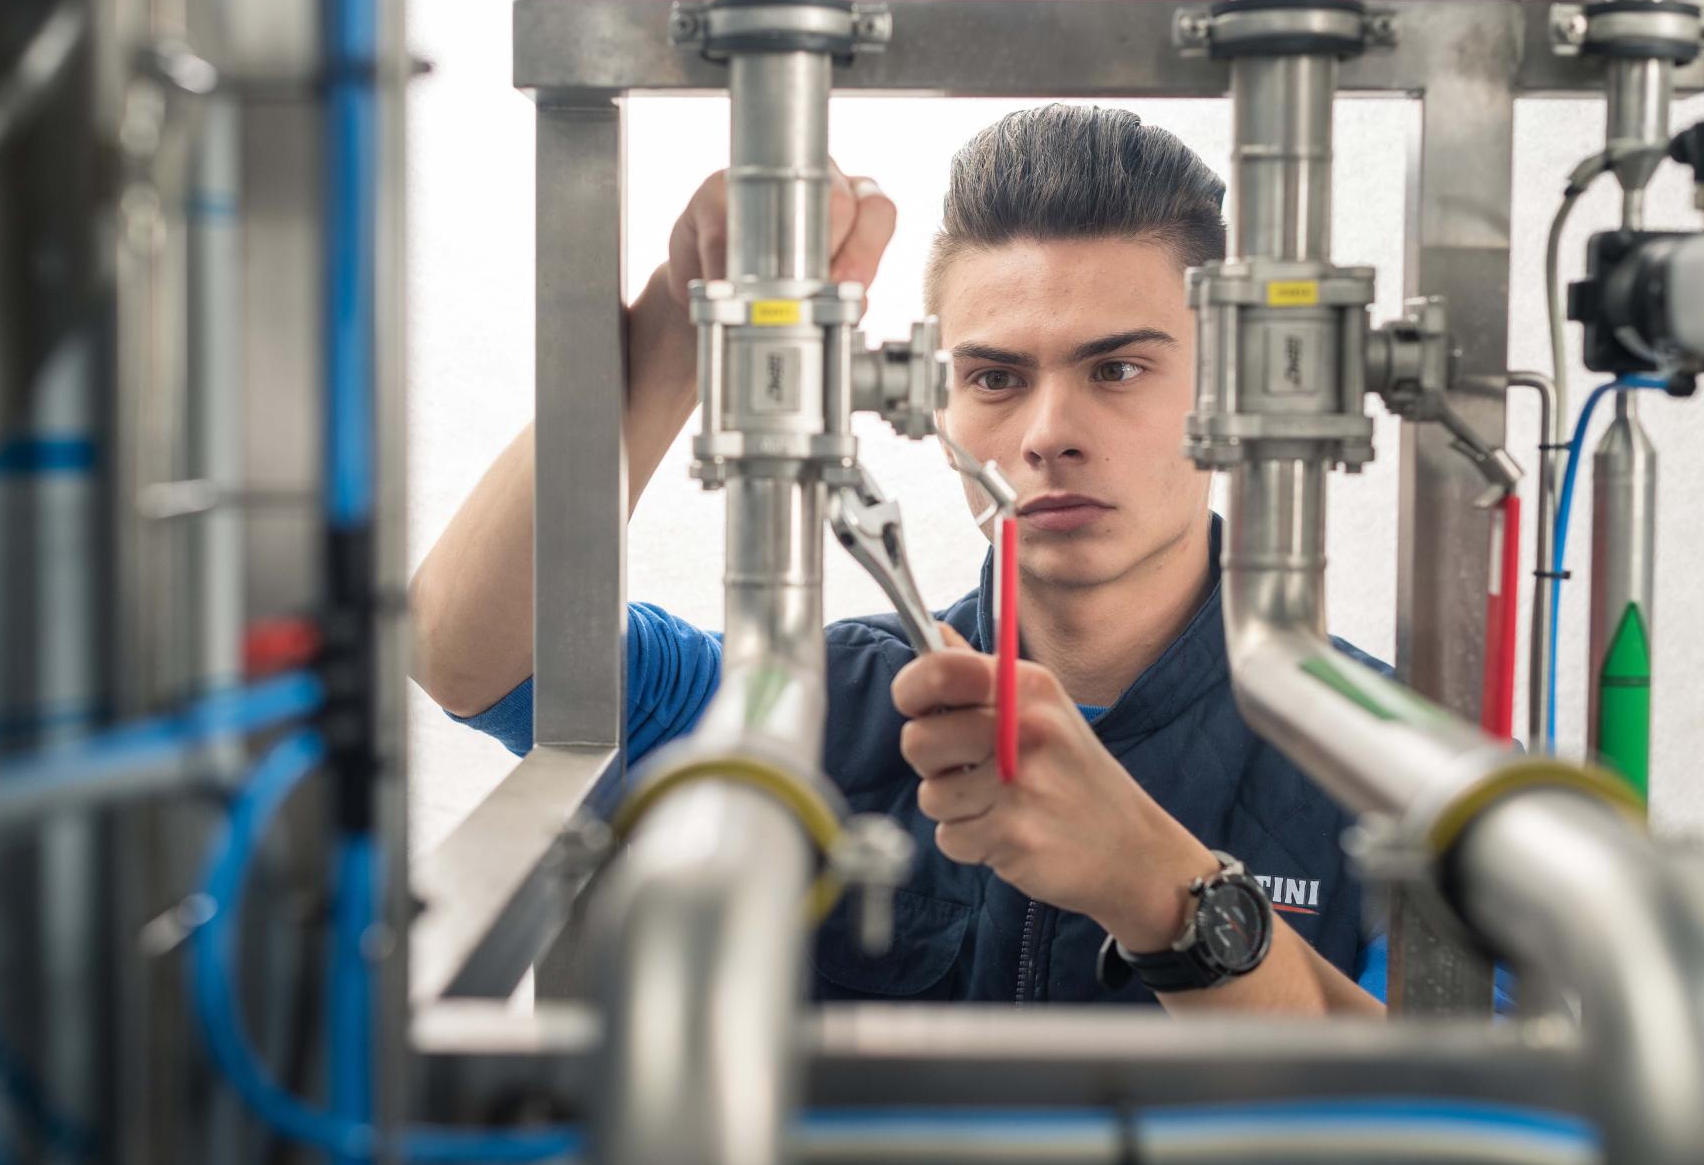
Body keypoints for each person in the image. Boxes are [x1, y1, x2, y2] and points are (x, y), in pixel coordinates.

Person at [412, 103, 1386, 1015]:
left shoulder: (1380, 757)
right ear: (937, 403)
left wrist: (1163, 889)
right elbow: (468, 651)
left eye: (1118, 369)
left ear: (1229, 391)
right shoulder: (806, 700)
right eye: (996, 376)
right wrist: (684, 318)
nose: (1050, 433)